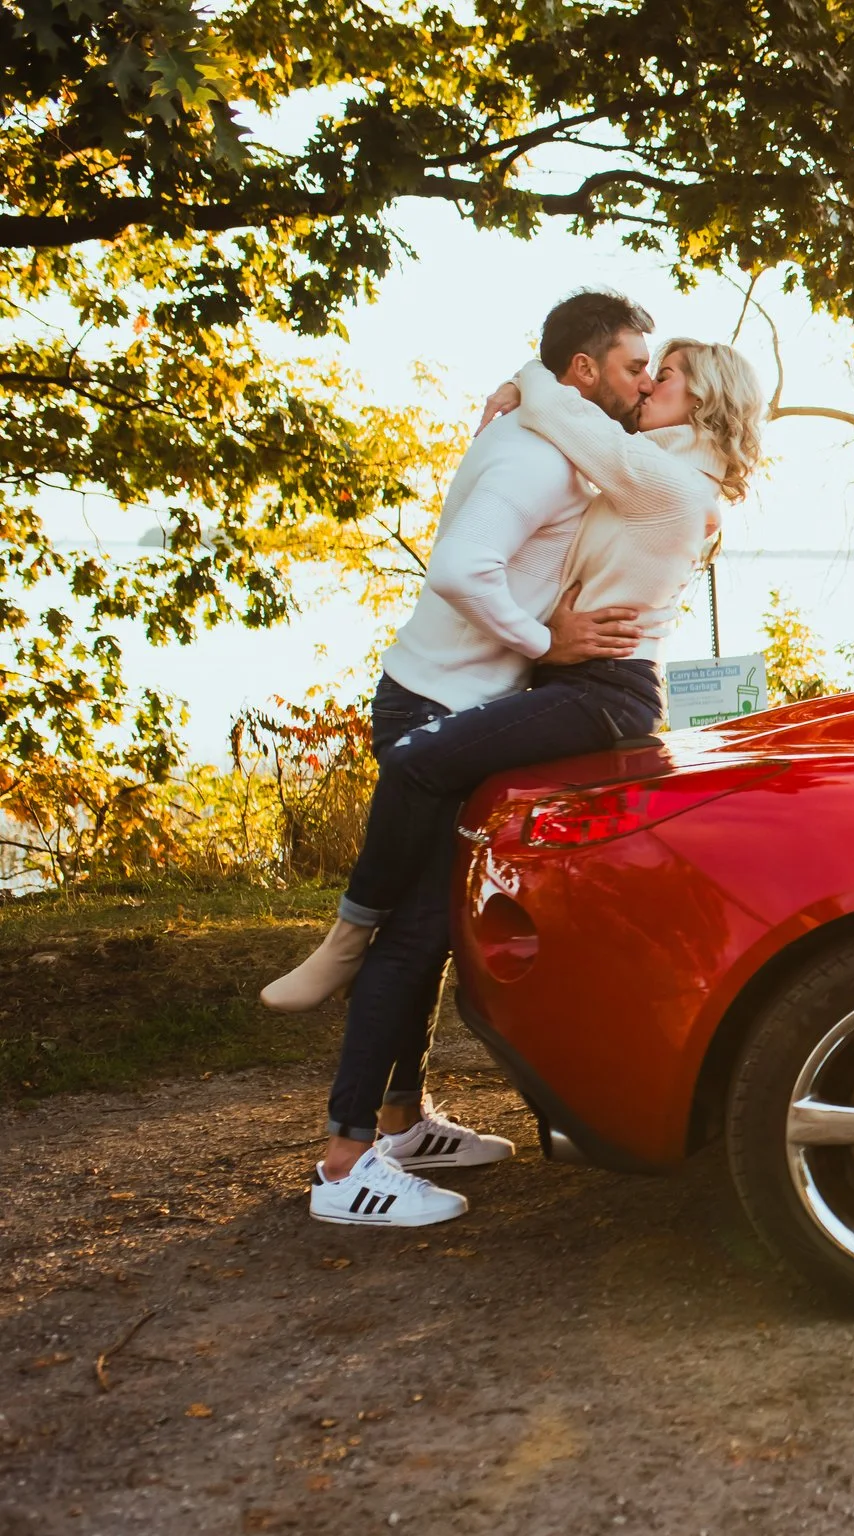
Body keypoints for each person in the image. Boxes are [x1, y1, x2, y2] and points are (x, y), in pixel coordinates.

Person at [263, 316, 767, 1228]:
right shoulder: (653, 466)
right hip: (571, 681)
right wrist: (522, 387)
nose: (648, 385)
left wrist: (520, 382)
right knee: (424, 925)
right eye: (643, 371)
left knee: (415, 789)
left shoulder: (673, 484)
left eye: (669, 375)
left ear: (707, 399)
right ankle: (379, 1129)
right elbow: (574, 411)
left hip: (601, 691)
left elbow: (570, 410)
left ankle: (349, 969)